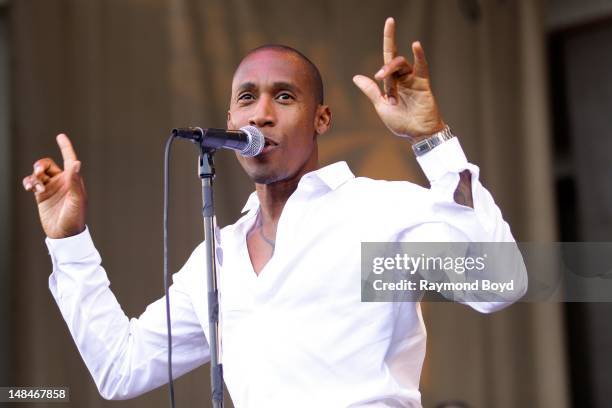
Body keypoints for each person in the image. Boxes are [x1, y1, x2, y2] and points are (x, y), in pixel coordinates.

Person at [23, 18, 526, 408]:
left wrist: (431, 139)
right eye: (247, 98)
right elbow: (121, 368)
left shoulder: (376, 209)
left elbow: (498, 284)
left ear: (321, 118)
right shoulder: (216, 257)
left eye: (283, 96)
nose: (261, 113)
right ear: (229, 123)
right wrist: (69, 242)